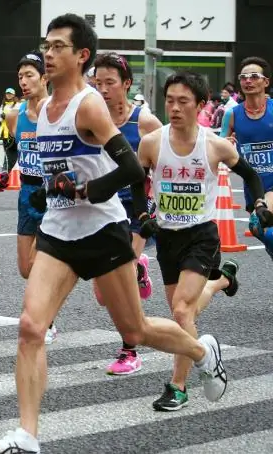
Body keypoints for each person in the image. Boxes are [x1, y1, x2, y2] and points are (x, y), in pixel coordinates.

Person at [0, 15, 228, 453]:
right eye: (46, 46)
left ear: (81, 56)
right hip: (57, 231)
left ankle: (203, 353)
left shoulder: (87, 105)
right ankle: (26, 438)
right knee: (31, 328)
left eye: (58, 47)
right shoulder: (36, 109)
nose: (48, 54)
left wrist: (91, 189)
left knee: (135, 330)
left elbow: (131, 169)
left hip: (102, 230)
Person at [134, 71, 268, 411]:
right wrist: (143, 215)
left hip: (202, 236)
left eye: (183, 101)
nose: (175, 108)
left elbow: (250, 174)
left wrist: (259, 204)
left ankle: (178, 386)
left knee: (180, 311)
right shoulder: (152, 143)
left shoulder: (214, 145)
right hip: (167, 238)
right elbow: (137, 183)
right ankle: (223, 280)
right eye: (170, 101)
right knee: (185, 311)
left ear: (201, 106)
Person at [92, 52, 162, 375]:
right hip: (104, 212)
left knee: (120, 286)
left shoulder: (143, 122)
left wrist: (157, 205)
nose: (103, 89)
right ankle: (139, 267)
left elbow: (168, 153)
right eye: (98, 82)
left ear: (126, 84)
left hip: (136, 211)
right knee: (103, 295)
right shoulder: (92, 119)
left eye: (110, 83)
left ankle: (129, 350)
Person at [0, 51, 57, 344]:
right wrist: (6, 173)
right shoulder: (13, 114)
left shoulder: (56, 112)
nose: (24, 81)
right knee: (24, 268)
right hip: (26, 193)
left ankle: (46, 319)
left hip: (53, 195)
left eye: (30, 75)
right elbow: (14, 152)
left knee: (43, 263)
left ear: (45, 78)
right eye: (20, 76)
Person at [221, 57, 273, 257]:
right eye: (243, 77)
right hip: (253, 186)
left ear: (266, 82)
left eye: (254, 76)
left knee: (257, 222)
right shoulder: (232, 114)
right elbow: (220, 143)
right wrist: (228, 144)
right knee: (261, 231)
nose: (248, 81)